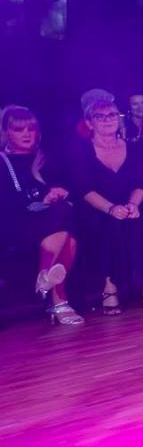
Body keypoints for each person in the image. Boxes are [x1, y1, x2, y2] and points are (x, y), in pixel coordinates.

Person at [68, 97, 143, 314]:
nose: (107, 120)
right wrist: (110, 208)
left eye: (111, 115)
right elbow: (84, 190)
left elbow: (141, 183)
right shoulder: (81, 152)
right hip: (95, 208)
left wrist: (133, 204)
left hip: (128, 203)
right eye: (100, 116)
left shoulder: (134, 149)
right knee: (111, 224)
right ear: (89, 123)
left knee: (136, 220)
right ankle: (110, 287)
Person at [0, 105, 80, 325]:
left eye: (31, 129)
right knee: (65, 223)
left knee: (66, 220)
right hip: (17, 223)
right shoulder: (3, 162)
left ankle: (46, 279)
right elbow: (6, 204)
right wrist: (42, 200)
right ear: (7, 132)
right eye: (19, 129)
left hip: (54, 220)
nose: (26, 134)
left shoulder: (46, 158)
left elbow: (71, 186)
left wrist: (60, 192)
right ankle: (57, 298)